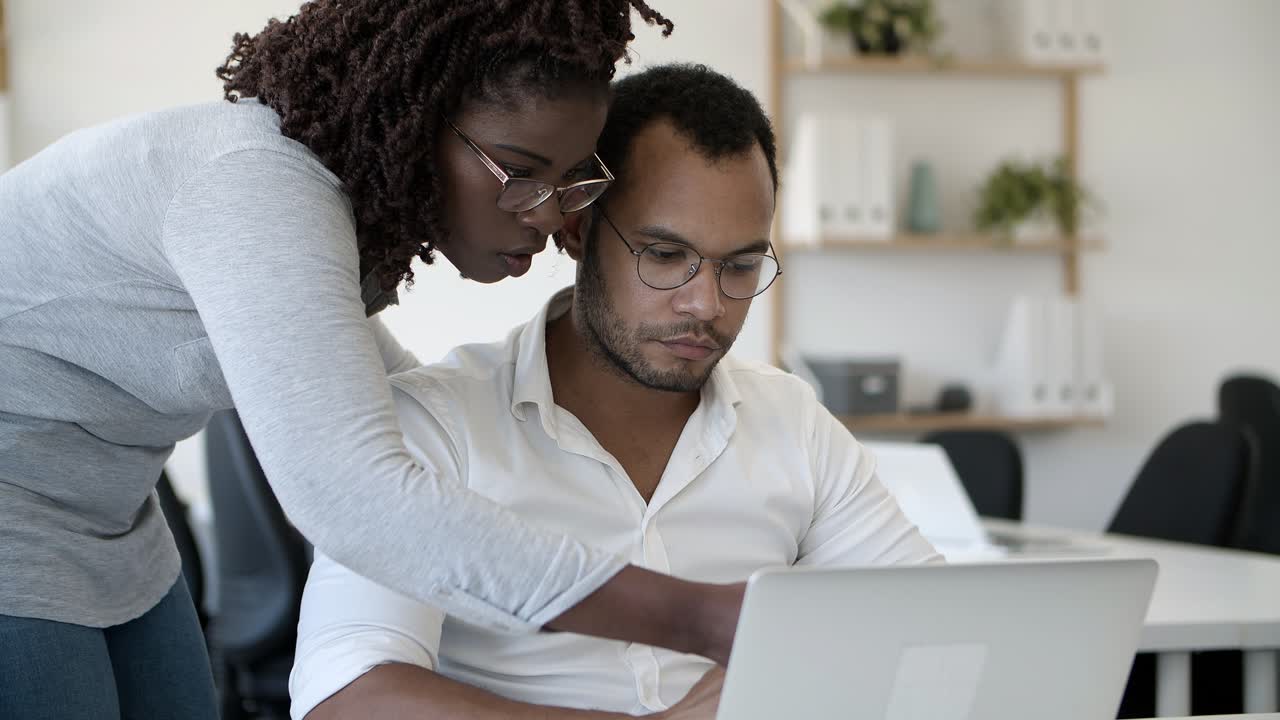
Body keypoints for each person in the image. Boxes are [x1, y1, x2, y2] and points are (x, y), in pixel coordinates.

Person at [0, 4, 751, 719]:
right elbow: (353, 495)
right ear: (421, 120)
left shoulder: (324, 216)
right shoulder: (253, 185)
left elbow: (403, 396)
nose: (549, 214)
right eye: (521, 171)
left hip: (111, 520)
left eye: (569, 182)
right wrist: (703, 616)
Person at [289, 64, 940, 720]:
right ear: (576, 228)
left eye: (740, 266)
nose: (706, 304)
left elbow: (936, 627)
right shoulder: (439, 425)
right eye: (663, 255)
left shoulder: (791, 421)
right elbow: (345, 697)